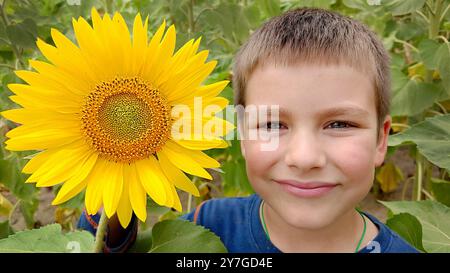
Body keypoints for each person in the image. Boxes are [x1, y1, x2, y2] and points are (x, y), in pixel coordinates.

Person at [78, 7, 419, 253]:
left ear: (381, 139)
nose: (304, 158)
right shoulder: (207, 224)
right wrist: (115, 178)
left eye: (340, 124)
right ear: (242, 134)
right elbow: (114, 247)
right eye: (272, 124)